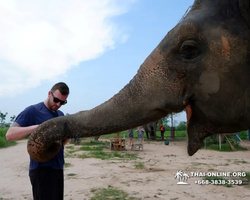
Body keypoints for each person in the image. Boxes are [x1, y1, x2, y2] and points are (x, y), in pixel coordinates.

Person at [5, 82, 70, 200]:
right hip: (41, 170)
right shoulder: (33, 111)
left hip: (58, 167)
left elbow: (61, 144)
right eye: (56, 100)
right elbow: (10, 134)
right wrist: (37, 128)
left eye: (62, 102)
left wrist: (66, 137)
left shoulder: (60, 115)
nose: (58, 104)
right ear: (49, 93)